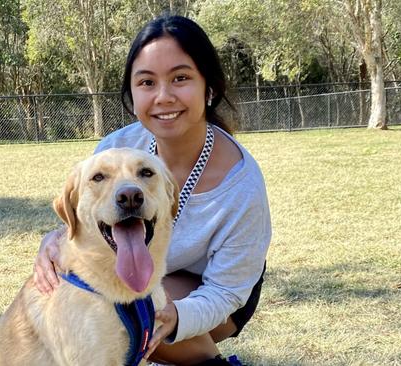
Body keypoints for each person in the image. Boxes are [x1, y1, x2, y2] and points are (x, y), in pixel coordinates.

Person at [33, 14, 272, 366]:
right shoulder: (120, 146)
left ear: (209, 87)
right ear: (131, 92)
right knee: (87, 300)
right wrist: (54, 240)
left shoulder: (242, 185)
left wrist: (179, 319)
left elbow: (226, 291)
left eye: (180, 78)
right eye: (146, 82)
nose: (163, 96)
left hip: (214, 296)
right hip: (139, 273)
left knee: (130, 310)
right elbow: (87, 213)